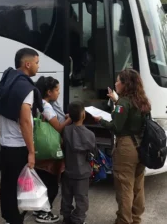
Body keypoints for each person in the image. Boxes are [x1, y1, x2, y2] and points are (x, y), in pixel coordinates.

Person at [94, 69, 150, 224]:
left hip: (126, 147)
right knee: (138, 185)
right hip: (141, 145)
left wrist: (100, 120)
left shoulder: (124, 103)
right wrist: (116, 100)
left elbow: (116, 127)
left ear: (125, 84)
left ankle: (124, 220)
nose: (115, 83)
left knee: (124, 186)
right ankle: (136, 219)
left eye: (118, 80)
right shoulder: (142, 100)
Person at [0, 48, 42, 224]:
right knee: (20, 189)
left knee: (7, 186)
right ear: (27, 64)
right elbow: (25, 121)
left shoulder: (7, 81)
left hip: (6, 145)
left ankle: (9, 219)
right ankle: (15, 220)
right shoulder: (25, 87)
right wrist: (31, 151)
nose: (38, 67)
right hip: (19, 148)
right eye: (37, 62)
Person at [33, 76, 72, 223]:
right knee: (52, 184)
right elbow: (59, 127)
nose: (58, 93)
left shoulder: (36, 103)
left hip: (39, 149)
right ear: (49, 92)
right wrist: (70, 118)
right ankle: (44, 212)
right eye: (56, 90)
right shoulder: (46, 106)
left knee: (42, 180)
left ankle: (39, 207)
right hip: (48, 151)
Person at [61, 101, 96, 224]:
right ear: (83, 115)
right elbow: (93, 151)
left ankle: (66, 218)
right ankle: (78, 219)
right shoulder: (90, 135)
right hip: (83, 173)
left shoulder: (66, 131)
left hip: (68, 171)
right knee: (81, 199)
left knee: (66, 198)